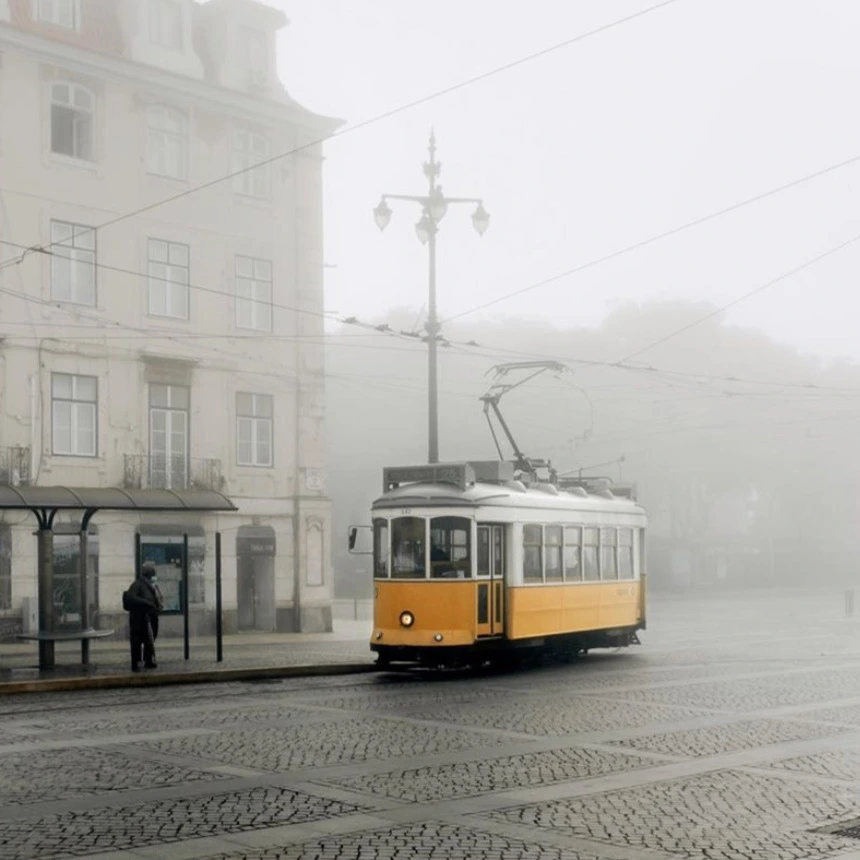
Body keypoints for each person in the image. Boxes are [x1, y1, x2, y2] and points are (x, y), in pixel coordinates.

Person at [123, 562, 163, 672]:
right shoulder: (138, 584)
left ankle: (148, 660)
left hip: (150, 619)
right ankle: (136, 662)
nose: (154, 577)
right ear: (148, 575)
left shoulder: (151, 586)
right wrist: (147, 604)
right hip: (139, 619)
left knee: (149, 640)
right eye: (152, 574)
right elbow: (130, 598)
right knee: (137, 641)